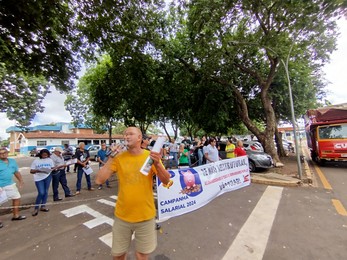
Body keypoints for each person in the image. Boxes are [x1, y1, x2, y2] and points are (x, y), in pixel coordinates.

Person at [95, 127, 171, 260]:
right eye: (125, 135)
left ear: (139, 138)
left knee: (142, 255)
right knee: (118, 255)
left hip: (146, 217)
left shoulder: (150, 156)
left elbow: (166, 180)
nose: (126, 137)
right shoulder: (118, 158)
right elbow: (99, 180)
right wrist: (112, 157)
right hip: (122, 217)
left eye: (130, 134)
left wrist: (157, 164)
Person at [0, 147, 26, 227]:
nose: (3, 154)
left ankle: (16, 215)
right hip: (0, 186)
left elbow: (16, 172)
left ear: (8, 153)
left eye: (5, 152)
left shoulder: (12, 161)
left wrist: (21, 180)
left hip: (10, 184)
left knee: (16, 198)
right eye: (1, 153)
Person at [30, 149, 56, 216]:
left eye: (46, 155)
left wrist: (53, 169)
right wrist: (38, 170)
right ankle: (36, 208)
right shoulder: (36, 161)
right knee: (41, 192)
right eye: (43, 155)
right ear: (40, 154)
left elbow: (52, 168)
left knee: (46, 191)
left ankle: (43, 206)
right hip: (38, 178)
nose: (45, 156)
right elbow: (31, 171)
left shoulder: (50, 160)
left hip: (47, 176)